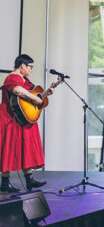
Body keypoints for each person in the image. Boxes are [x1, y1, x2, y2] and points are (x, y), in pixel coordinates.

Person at [0, 54, 51, 193]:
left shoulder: (24, 79)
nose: (31, 69)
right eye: (30, 67)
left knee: (25, 147)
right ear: (22, 65)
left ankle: (29, 180)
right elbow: (17, 90)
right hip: (10, 117)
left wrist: (44, 94)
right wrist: (35, 99)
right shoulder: (12, 77)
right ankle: (4, 183)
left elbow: (31, 96)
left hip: (21, 118)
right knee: (9, 149)